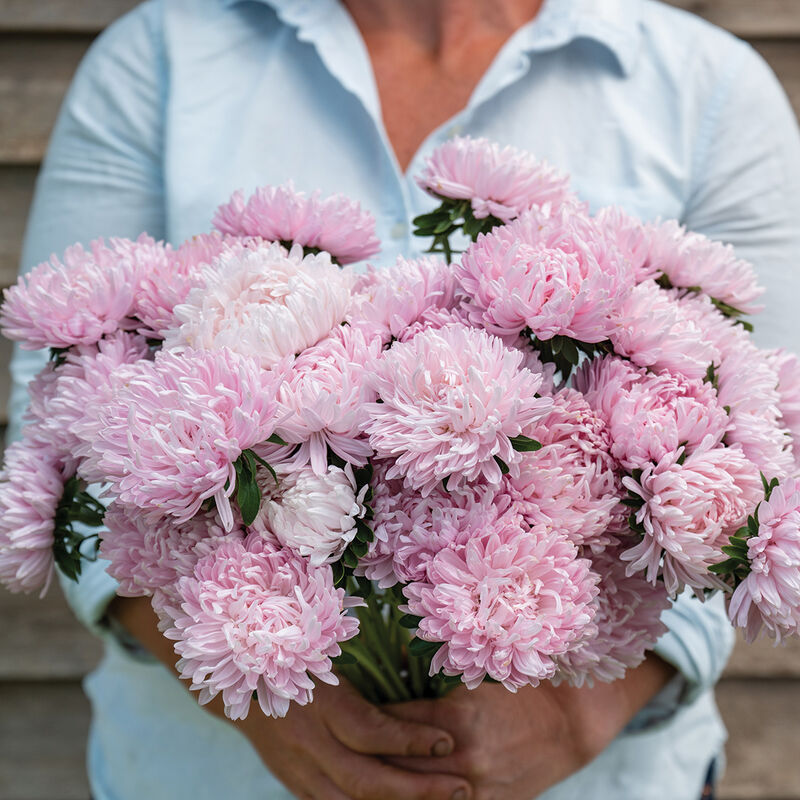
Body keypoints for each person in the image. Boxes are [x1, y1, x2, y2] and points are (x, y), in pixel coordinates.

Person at [9, 0, 800, 798]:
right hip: (212, 770)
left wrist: (577, 716)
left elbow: (771, 451)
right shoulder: (157, 56)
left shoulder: (708, 86)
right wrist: (254, 690)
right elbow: (54, 417)